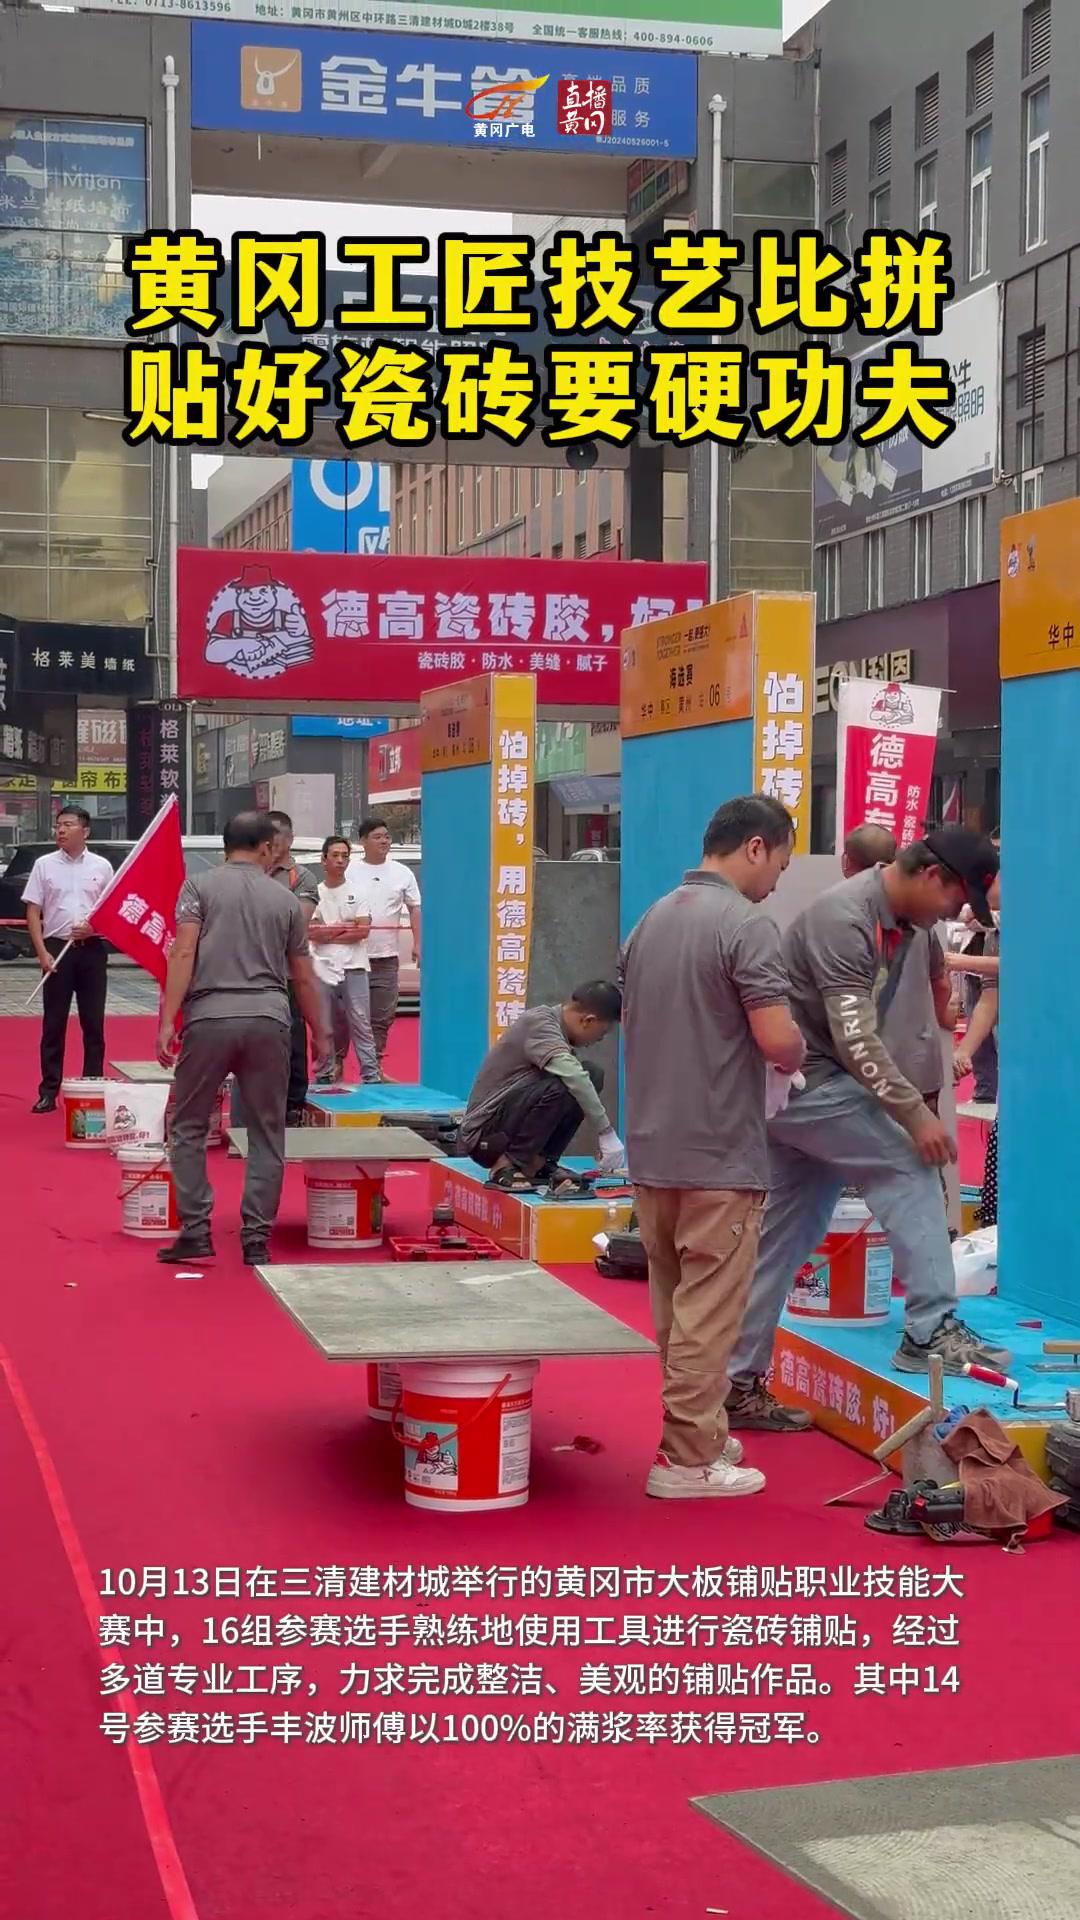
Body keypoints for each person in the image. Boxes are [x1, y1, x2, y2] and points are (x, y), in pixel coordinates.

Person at [725, 826, 1010, 1434]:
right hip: (805, 1082)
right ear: (930, 875)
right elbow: (854, 1037)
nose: (952, 914)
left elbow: (873, 1028)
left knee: (786, 1237)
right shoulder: (844, 919)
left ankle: (734, 1383)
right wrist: (914, 1114)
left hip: (805, 1084)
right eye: (955, 898)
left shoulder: (905, 923)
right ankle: (930, 1331)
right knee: (910, 1162)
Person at [620, 795, 807, 1501]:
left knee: (676, 1307)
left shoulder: (651, 919)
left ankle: (698, 1430)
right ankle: (687, 1459)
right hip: (719, 1149)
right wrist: (800, 1053)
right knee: (709, 1313)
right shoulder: (745, 925)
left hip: (653, 1145)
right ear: (756, 847)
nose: (777, 882)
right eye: (780, 864)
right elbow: (776, 1038)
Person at [155, 811, 330, 1267]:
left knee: (188, 1125)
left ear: (224, 846)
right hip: (269, 1019)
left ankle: (196, 1230)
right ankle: (256, 1239)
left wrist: (168, 1019)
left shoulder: (198, 887)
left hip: (209, 1017)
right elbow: (302, 976)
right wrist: (320, 1031)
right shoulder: (285, 899)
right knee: (267, 1132)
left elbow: (184, 951)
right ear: (267, 848)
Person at [458, 982, 623, 1192]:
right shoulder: (540, 1024)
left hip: (503, 1127)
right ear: (587, 1021)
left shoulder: (556, 1030)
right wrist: (606, 1132)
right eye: (601, 1034)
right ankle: (505, 1165)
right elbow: (574, 1077)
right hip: (484, 1135)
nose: (598, 1040)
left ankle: (538, 1163)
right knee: (571, 1082)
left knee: (591, 1075)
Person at [23, 806, 113, 1114]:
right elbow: (33, 910)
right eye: (58, 825)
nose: (60, 830)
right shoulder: (44, 865)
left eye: (68, 825)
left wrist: (93, 928)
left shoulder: (102, 866)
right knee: (53, 1023)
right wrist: (41, 952)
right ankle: (49, 1091)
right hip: (56, 949)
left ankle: (92, 1085)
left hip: (91, 950)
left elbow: (110, 911)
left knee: (93, 1023)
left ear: (85, 831)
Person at [349, 818, 421, 1076]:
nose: (384, 841)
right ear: (363, 842)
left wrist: (418, 943)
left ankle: (374, 1068)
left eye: (386, 836)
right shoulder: (350, 871)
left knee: (382, 1016)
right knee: (344, 1017)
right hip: (351, 957)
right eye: (377, 837)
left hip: (386, 957)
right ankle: (334, 1067)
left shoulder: (402, 872)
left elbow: (414, 908)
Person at [309, 834, 378, 1086]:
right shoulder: (314, 892)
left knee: (361, 1022)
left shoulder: (358, 891)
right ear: (324, 859)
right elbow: (311, 932)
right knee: (322, 1024)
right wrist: (344, 927)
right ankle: (324, 1074)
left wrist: (328, 930)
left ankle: (371, 1075)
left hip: (355, 967)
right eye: (335, 855)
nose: (340, 860)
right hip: (321, 967)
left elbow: (362, 931)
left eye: (345, 856)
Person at [267, 811, 320, 1123]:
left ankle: (292, 1106)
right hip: (250, 974)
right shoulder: (251, 871)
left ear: (290, 839)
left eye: (277, 835)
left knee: (292, 1041)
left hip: (286, 975)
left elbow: (296, 926)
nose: (271, 842)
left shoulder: (302, 878)